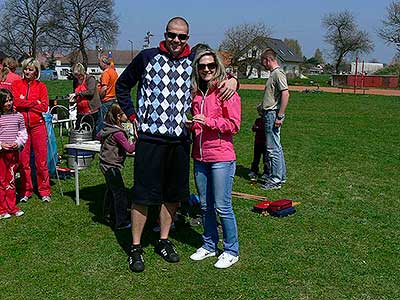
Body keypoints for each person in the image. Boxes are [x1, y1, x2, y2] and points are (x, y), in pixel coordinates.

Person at [116, 16, 238, 272]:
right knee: (142, 195)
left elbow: (214, 67)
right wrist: (132, 116)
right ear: (165, 34)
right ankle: (135, 247)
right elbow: (122, 85)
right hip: (151, 138)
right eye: (172, 35)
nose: (176, 40)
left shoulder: (193, 60)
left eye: (182, 37)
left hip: (181, 140)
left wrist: (233, 80)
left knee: (172, 196)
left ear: (188, 39)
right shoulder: (147, 57)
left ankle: (163, 240)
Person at [188, 49, 241, 268]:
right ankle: (209, 244)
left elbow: (234, 125)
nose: (207, 70)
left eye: (210, 65)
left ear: (217, 66)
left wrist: (208, 121)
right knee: (205, 206)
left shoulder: (226, 91)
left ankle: (231, 249)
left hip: (221, 157)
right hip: (200, 157)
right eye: (202, 66)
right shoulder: (195, 93)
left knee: (222, 205)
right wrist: (191, 125)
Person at [13, 58, 51, 202]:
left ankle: (44, 190)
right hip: (22, 127)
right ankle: (26, 190)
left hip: (38, 126)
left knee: (41, 161)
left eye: (30, 69)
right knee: (23, 161)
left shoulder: (41, 87)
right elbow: (16, 101)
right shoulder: (17, 84)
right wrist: (34, 103)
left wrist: (26, 104)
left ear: (36, 71)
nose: (27, 72)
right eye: (25, 69)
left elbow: (44, 107)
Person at [98, 103, 135, 230]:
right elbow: (130, 149)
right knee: (120, 194)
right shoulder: (118, 133)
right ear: (119, 116)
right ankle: (121, 222)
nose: (128, 116)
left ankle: (108, 215)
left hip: (104, 164)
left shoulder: (107, 128)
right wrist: (139, 140)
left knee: (111, 191)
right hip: (111, 166)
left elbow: (99, 136)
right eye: (125, 114)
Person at [259, 48, 289, 190]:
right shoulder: (273, 74)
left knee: (272, 149)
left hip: (272, 114)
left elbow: (285, 94)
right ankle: (281, 176)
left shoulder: (278, 74)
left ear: (268, 60)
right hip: (268, 112)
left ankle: (275, 179)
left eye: (263, 62)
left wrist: (280, 116)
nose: (263, 65)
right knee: (276, 146)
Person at [0, 89, 27, 219]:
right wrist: (1, 145)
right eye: (5, 101)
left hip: (13, 153)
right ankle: (1, 209)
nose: (9, 103)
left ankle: (11, 207)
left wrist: (18, 143)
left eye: (10, 100)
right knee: (1, 181)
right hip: (1, 154)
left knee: (11, 180)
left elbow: (23, 133)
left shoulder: (18, 116)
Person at [69, 63, 102, 139]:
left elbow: (90, 92)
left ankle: (92, 146)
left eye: (79, 75)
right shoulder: (75, 81)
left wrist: (77, 94)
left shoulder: (90, 79)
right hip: (81, 111)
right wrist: (73, 99)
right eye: (76, 75)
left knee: (92, 130)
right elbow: (76, 93)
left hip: (91, 110)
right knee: (78, 128)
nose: (78, 77)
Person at [248, 104, 270, 180]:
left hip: (265, 142)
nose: (260, 114)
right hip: (258, 142)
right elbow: (254, 128)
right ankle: (254, 171)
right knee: (256, 158)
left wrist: (258, 128)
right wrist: (257, 128)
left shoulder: (267, 121)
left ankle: (267, 172)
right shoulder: (258, 120)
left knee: (266, 159)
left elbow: (266, 129)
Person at [98, 56, 118, 130]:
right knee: (111, 121)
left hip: (106, 100)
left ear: (104, 63)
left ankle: (99, 138)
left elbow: (104, 88)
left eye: (99, 63)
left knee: (102, 122)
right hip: (113, 99)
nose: (98, 65)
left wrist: (100, 97)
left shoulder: (105, 73)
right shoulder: (114, 72)